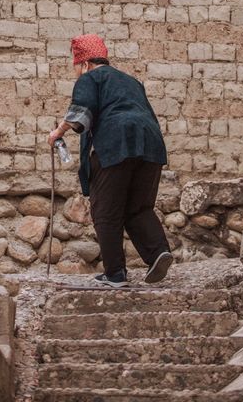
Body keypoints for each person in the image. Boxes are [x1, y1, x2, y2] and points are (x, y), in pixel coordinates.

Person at [48, 33, 172, 288]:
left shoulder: (91, 77)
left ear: (84, 63)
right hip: (150, 144)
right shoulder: (131, 81)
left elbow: (80, 111)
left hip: (115, 143)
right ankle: (158, 252)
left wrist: (57, 133)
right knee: (139, 207)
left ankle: (115, 273)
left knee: (105, 209)